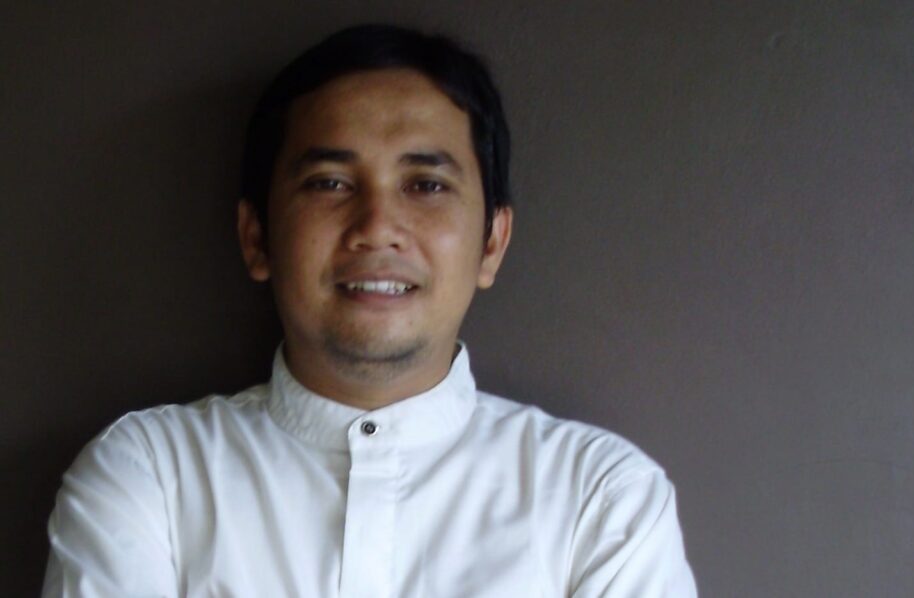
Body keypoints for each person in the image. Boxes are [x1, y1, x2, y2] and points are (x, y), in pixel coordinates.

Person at [43, 24, 698, 597]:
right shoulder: (148, 478)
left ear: (492, 243)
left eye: (426, 184)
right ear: (257, 237)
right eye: (330, 183)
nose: (378, 226)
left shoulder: (601, 501)